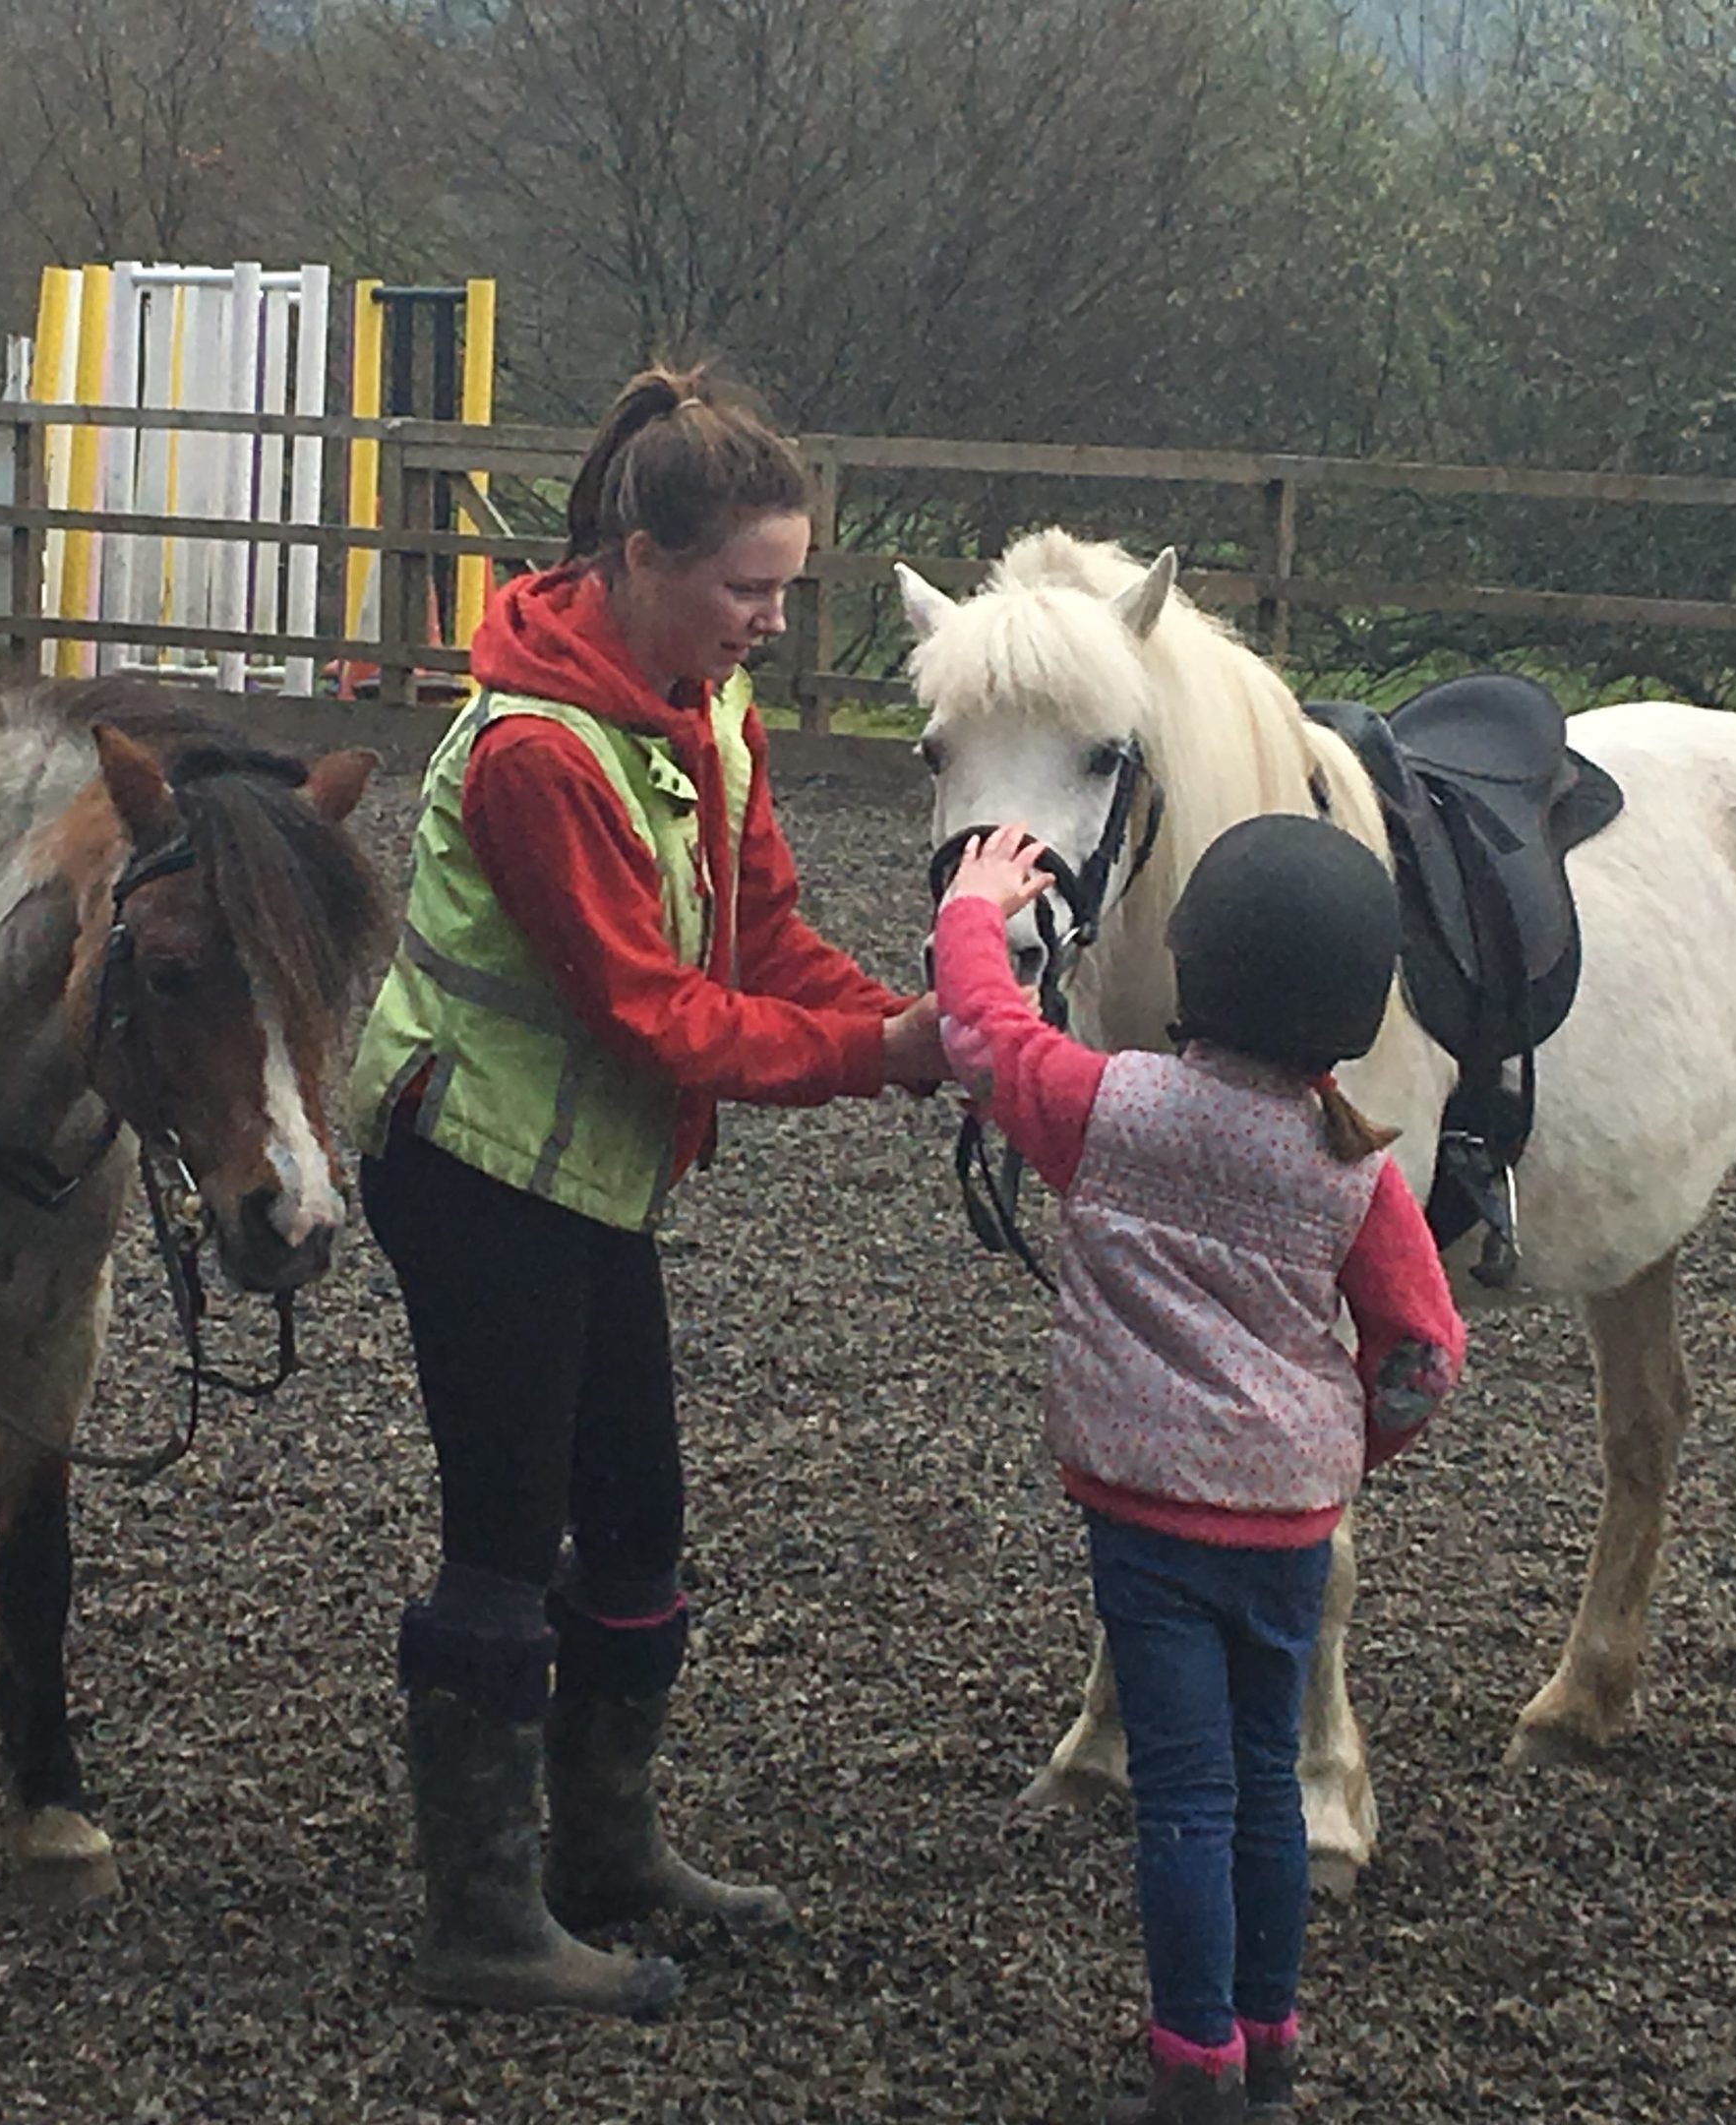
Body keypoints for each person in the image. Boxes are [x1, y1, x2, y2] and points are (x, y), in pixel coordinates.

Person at [345, 365, 949, 2018]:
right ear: (637, 556)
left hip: (588, 1178)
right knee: (502, 1526)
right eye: (749, 587)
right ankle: (481, 1919)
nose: (772, 621)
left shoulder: (703, 704)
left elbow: (759, 938)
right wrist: (877, 1058)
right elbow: (650, 1012)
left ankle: (601, 1848)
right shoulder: (538, 754)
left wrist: (912, 1015)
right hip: (472, 1173)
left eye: (785, 587)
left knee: (637, 1519)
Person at [931, 815, 1465, 2123]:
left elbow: (979, 1038)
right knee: (1271, 1791)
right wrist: (1345, 1448)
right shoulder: (1356, 1168)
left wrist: (974, 905)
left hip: (1147, 1523)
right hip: (1288, 1524)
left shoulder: (1109, 1107)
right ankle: (1269, 2044)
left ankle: (1195, 2073)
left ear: (1193, 968)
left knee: (1181, 1798)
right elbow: (1425, 1353)